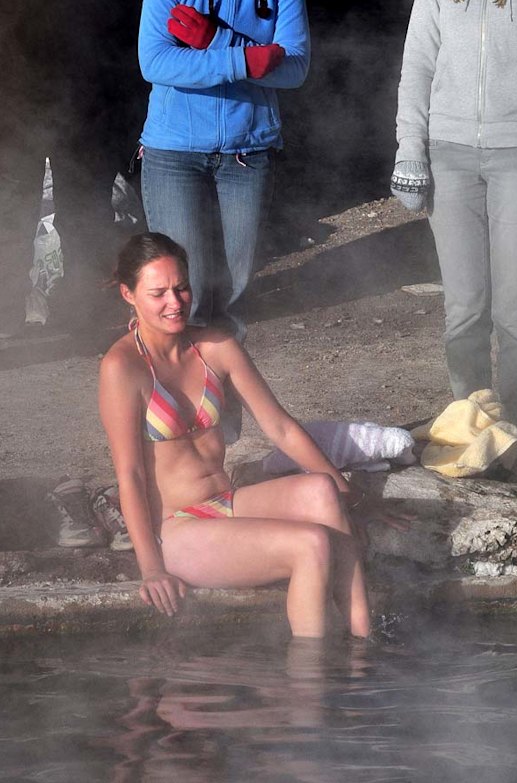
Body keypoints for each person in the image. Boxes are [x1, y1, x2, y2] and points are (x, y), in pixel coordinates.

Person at [100, 232, 378, 639]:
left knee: (322, 490)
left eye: (181, 288)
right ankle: (311, 682)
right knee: (310, 544)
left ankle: (361, 644)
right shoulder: (122, 367)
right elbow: (131, 476)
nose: (175, 303)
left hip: (226, 502)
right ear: (129, 294)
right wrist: (152, 569)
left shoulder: (215, 346)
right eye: (158, 293)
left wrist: (354, 498)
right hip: (176, 530)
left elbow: (280, 427)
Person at [391, 0, 517, 451]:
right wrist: (410, 149)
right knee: (465, 311)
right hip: (449, 155)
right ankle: (471, 433)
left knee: (516, 312)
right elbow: (417, 64)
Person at [138, 0, 310, 342]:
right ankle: (178, 382)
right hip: (174, 153)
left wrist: (219, 41)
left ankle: (221, 387)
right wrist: (243, 59)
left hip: (248, 152)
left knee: (235, 290)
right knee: (185, 287)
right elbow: (156, 62)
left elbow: (295, 68)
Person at [0, 0, 147, 337]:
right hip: (15, 99)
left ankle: (84, 306)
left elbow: (124, 27)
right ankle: (6, 311)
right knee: (9, 209)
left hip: (88, 97)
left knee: (85, 209)